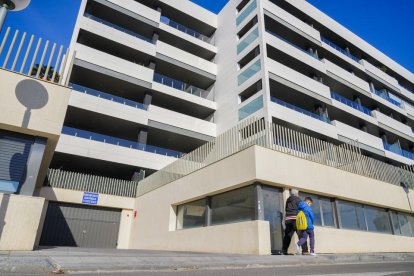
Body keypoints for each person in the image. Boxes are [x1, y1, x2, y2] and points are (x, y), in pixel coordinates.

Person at [281, 189, 308, 255]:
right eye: (298, 193)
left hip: (288, 219)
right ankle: (305, 251)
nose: (298, 194)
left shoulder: (288, 200)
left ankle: (284, 250)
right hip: (296, 219)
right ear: (296, 193)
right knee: (301, 234)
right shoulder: (297, 199)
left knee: (287, 236)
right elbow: (303, 207)